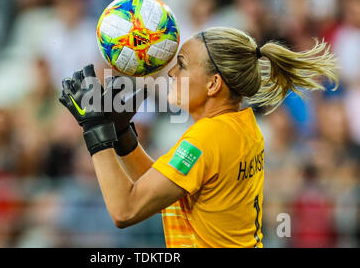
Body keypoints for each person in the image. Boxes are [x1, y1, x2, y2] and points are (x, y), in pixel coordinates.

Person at [58, 27, 338, 248]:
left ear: (213, 84)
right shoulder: (241, 125)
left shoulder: (206, 138)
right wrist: (122, 138)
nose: (171, 73)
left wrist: (95, 130)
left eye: (182, 65)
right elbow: (162, 194)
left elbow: (126, 210)